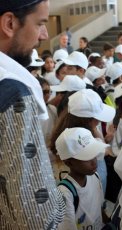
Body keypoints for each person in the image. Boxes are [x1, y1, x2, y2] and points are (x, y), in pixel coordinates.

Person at [0, 0, 65, 228]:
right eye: (40, 24)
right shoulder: (11, 93)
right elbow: (37, 217)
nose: (44, 35)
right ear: (9, 23)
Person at [56, 127, 109, 230]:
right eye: (86, 157)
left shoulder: (95, 177)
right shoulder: (65, 194)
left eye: (94, 154)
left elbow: (100, 208)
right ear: (68, 162)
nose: (94, 161)